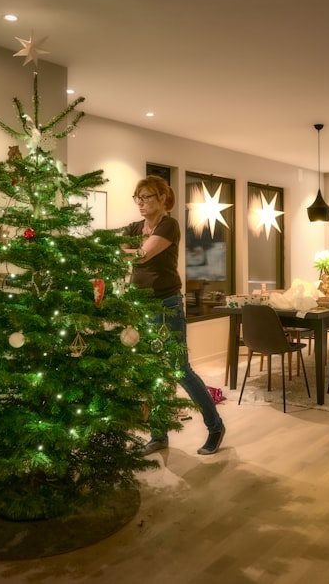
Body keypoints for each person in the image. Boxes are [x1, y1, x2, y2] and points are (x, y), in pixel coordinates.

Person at [123, 175, 226, 455]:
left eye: (147, 197)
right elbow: (118, 247)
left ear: (162, 199)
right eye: (138, 198)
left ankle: (215, 426)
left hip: (166, 305)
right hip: (140, 306)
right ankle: (159, 434)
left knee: (180, 370)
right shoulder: (134, 227)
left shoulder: (170, 225)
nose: (141, 203)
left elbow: (142, 256)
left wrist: (129, 251)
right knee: (151, 372)